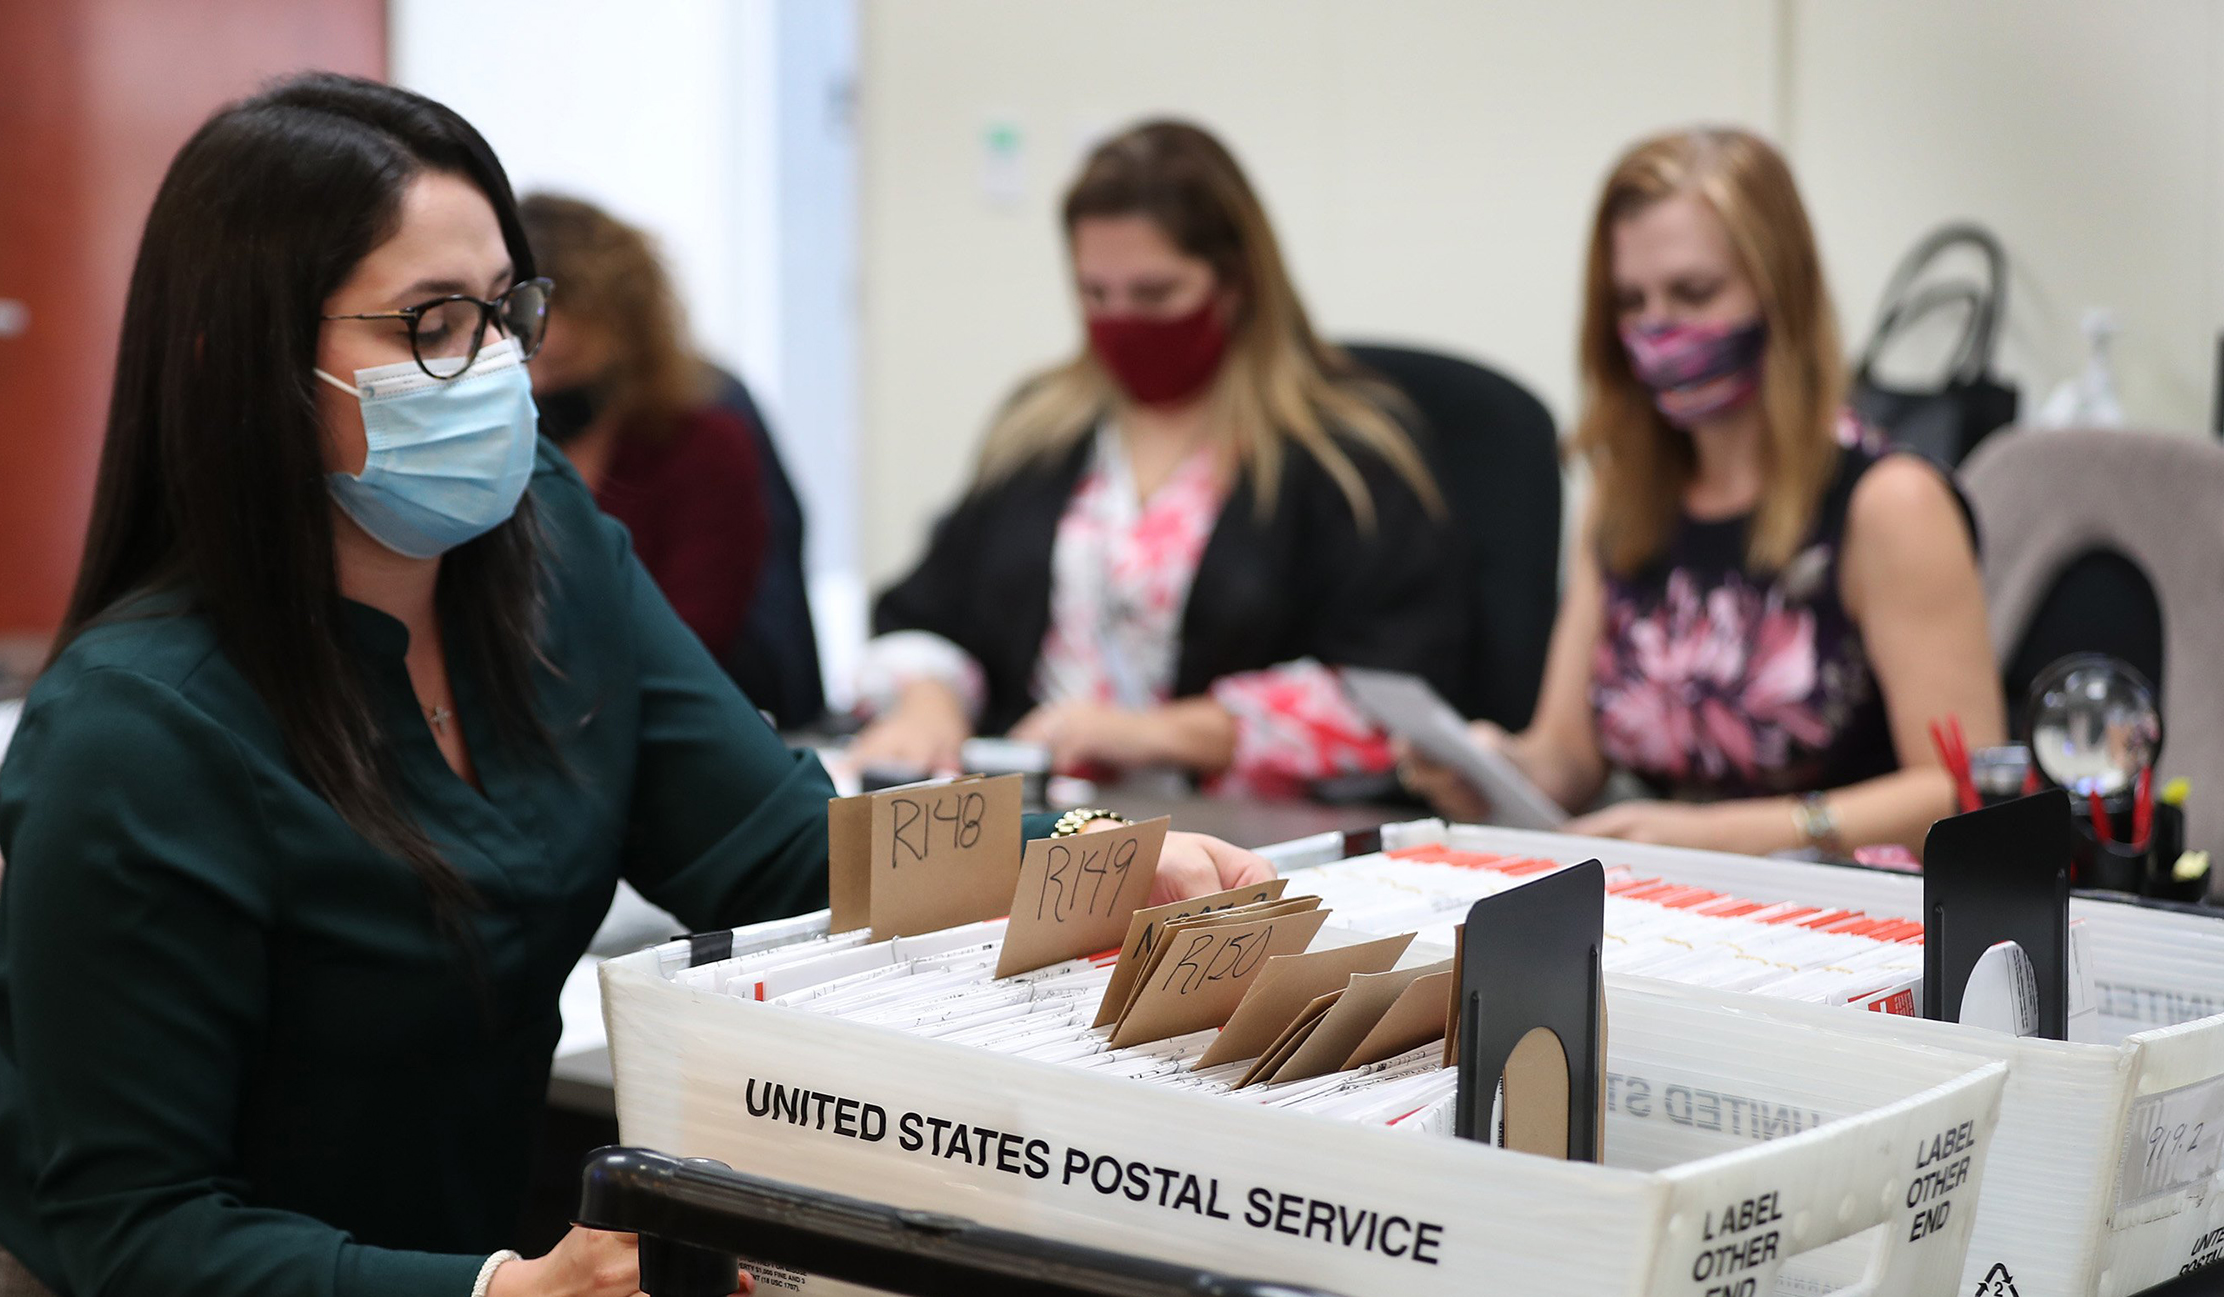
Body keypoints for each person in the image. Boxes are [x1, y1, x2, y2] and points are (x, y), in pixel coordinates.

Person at [0, 74, 1266, 1297]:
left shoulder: (542, 545)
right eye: (427, 323)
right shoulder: (139, 730)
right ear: (247, 364)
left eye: (502, 309)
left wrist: (1088, 860)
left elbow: (778, 844)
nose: (491, 369)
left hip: (421, 1280)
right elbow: (139, 1230)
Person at [1405, 128, 2003, 854]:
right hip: (1662, 904)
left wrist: (1722, 833)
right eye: (1631, 301)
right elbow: (1569, 757)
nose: (1657, 327)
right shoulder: (1624, 496)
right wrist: (1494, 770)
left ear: (1779, 289)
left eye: (1693, 292)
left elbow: (1964, 786)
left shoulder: (1891, 503)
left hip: (1844, 914)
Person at [853, 119, 1466, 800]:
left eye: (1154, 295)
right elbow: (925, 613)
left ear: (1233, 283)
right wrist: (927, 700)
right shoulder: (1041, 430)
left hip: (1242, 843)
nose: (1122, 321)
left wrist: (1161, 733)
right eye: (1096, 295)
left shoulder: (1345, 454)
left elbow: (1394, 691)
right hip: (1043, 829)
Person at [518, 192, 767, 662]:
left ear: (628, 344)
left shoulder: (702, 448)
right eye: (522, 357)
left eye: (563, 364)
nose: (536, 385)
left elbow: (690, 638)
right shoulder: (482, 446)